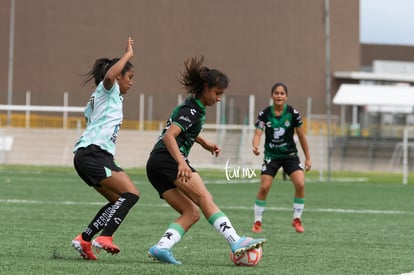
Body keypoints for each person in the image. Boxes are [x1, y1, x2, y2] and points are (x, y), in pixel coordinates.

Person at [146, 56, 266, 265]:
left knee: (191, 212)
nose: (219, 98)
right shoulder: (191, 110)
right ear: (205, 88)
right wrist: (182, 162)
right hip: (168, 158)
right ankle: (235, 241)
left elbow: (181, 130)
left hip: (155, 164)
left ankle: (162, 247)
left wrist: (203, 142)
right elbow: (169, 136)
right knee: (204, 197)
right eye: (217, 93)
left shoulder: (193, 109)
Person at [71, 37, 140, 260]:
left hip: (87, 155)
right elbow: (110, 76)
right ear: (119, 75)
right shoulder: (107, 89)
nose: (132, 82)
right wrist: (127, 55)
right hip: (94, 153)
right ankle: (105, 237)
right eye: (129, 77)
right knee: (130, 194)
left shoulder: (98, 99)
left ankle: (85, 238)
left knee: (116, 201)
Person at [251, 82, 311, 234]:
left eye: (282, 93)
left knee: (300, 184)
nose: (279, 96)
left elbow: (302, 137)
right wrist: (255, 146)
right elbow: (258, 133)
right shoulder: (264, 113)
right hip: (271, 156)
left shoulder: (293, 113)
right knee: (264, 187)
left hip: (290, 155)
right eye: (276, 93)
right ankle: (257, 221)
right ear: (272, 96)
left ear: (286, 96)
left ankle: (297, 218)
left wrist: (308, 158)